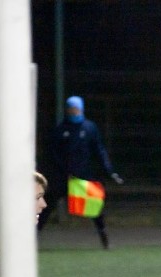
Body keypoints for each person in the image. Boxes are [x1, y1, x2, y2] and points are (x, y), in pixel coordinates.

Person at [38, 95, 124, 249]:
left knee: (95, 208)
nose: (74, 111)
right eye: (71, 109)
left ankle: (104, 238)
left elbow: (99, 151)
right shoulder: (61, 129)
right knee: (47, 206)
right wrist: (61, 170)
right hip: (63, 177)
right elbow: (52, 153)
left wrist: (110, 172)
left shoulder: (89, 128)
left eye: (76, 108)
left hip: (83, 176)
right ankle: (33, 238)